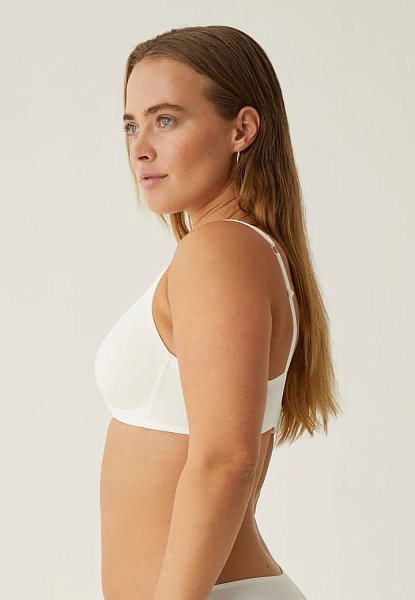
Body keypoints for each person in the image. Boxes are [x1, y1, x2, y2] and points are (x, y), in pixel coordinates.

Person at [95, 25, 342, 600]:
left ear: (242, 129)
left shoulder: (220, 251)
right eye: (131, 125)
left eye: (166, 120)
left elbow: (226, 459)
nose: (140, 148)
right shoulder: (232, 249)